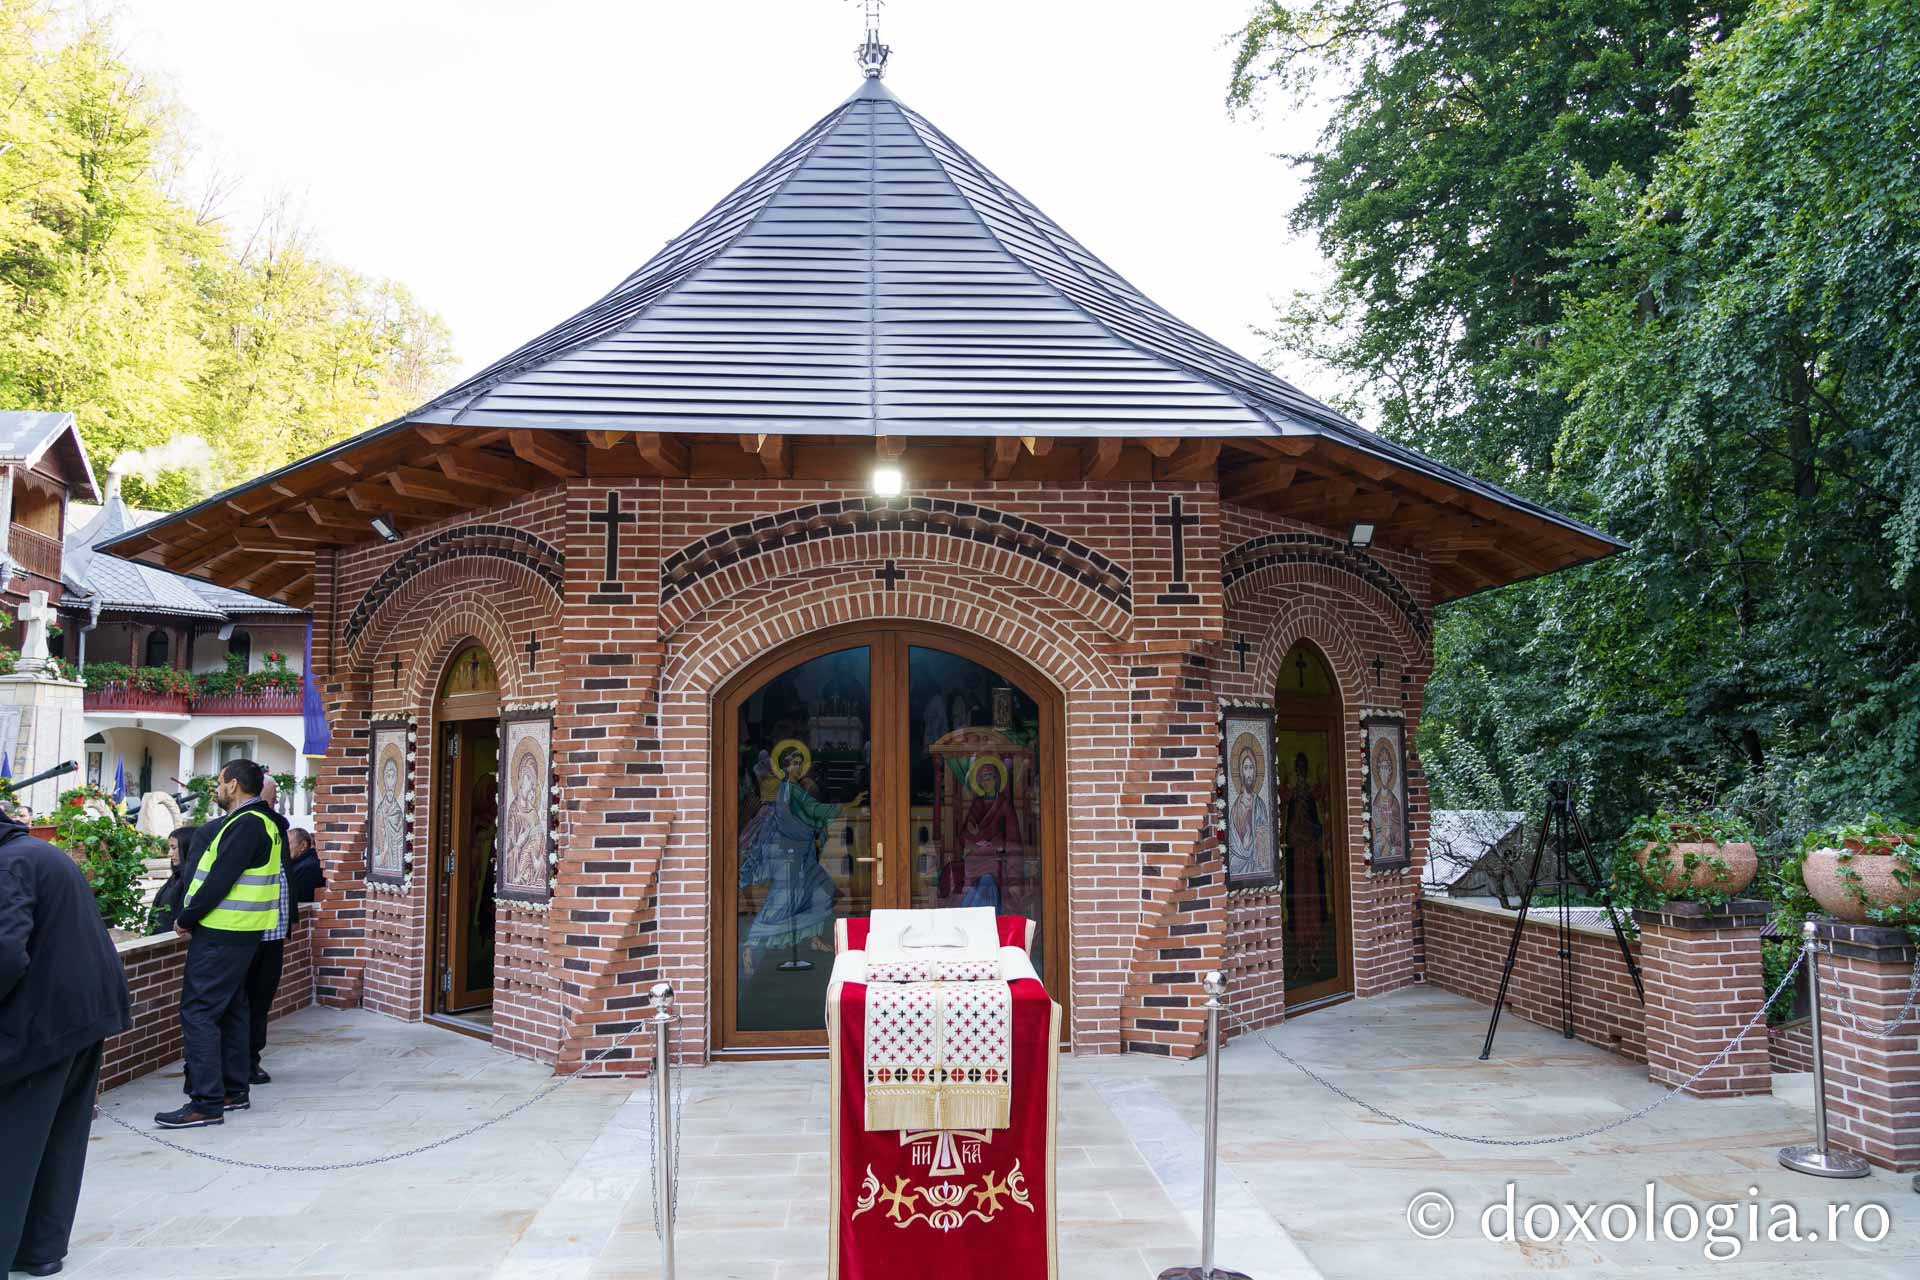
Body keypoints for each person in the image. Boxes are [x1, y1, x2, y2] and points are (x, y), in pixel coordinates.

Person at [0, 799, 132, 1276]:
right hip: (84, 1016)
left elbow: (5, 954)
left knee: (12, 1142)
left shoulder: (9, 864)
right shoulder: (35, 854)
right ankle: (40, 1251)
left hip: (45, 1023)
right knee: (60, 1138)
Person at [155, 759, 283, 1129]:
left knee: (199, 1012)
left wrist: (186, 917)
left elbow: (220, 879)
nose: (216, 787)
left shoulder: (247, 824)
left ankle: (205, 1102)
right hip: (242, 932)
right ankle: (232, 1090)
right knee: (231, 1010)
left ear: (233, 785)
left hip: (223, 932)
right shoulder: (261, 823)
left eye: (219, 781)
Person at [241, 776, 293, 1086]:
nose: (271, 806)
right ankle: (236, 1062)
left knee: (261, 1001)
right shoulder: (242, 829)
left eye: (272, 800)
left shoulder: (277, 829)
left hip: (273, 933)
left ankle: (251, 1059)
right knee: (240, 1001)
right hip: (243, 932)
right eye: (266, 799)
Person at [145, 825, 200, 936]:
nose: (170, 854)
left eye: (174, 848)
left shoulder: (192, 880)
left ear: (187, 847)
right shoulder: (175, 878)